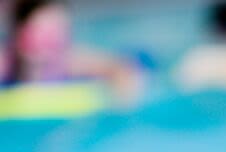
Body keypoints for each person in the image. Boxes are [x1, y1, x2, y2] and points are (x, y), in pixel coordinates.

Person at [0, 0, 142, 102]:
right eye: (43, 35)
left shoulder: (68, 61)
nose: (50, 46)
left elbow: (120, 68)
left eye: (56, 36)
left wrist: (123, 92)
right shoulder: (6, 62)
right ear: (18, 35)